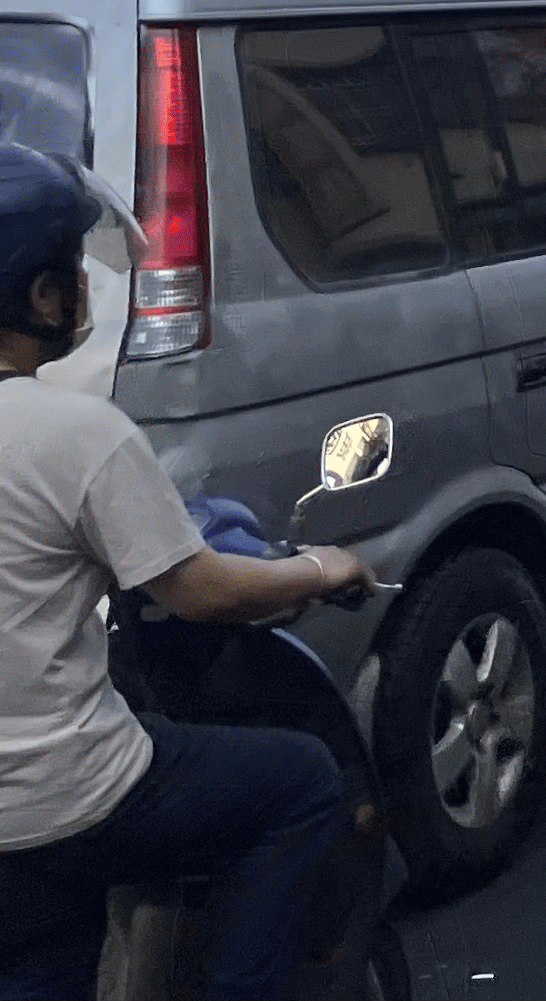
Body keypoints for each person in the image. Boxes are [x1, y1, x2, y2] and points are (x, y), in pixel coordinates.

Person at [0, 148, 372, 1001]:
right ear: (43, 296)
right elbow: (202, 591)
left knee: (36, 960)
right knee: (299, 780)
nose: (84, 287)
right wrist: (322, 566)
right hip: (66, 795)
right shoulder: (76, 432)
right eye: (72, 270)